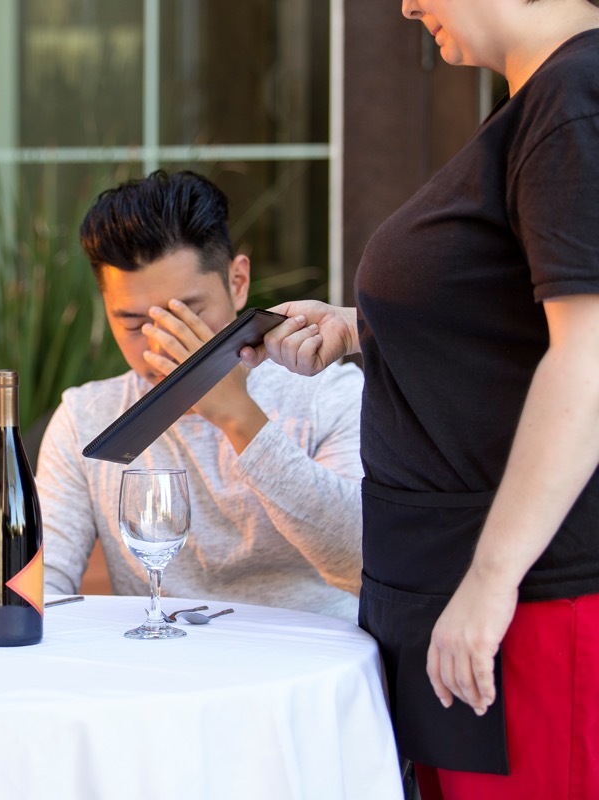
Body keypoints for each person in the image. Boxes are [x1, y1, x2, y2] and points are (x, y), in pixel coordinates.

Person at [240, 1, 599, 796]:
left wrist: (489, 582)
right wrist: (365, 327)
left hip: (524, 610)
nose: (406, 4)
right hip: (452, 596)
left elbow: (591, 359)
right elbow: (506, 323)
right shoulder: (536, 104)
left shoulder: (575, 98)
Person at [37, 170, 365, 622]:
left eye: (187, 316)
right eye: (134, 324)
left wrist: (240, 419)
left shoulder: (327, 394)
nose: (161, 346)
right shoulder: (86, 416)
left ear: (237, 282)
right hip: (160, 676)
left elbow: (366, 563)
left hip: (312, 670)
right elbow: (41, 582)